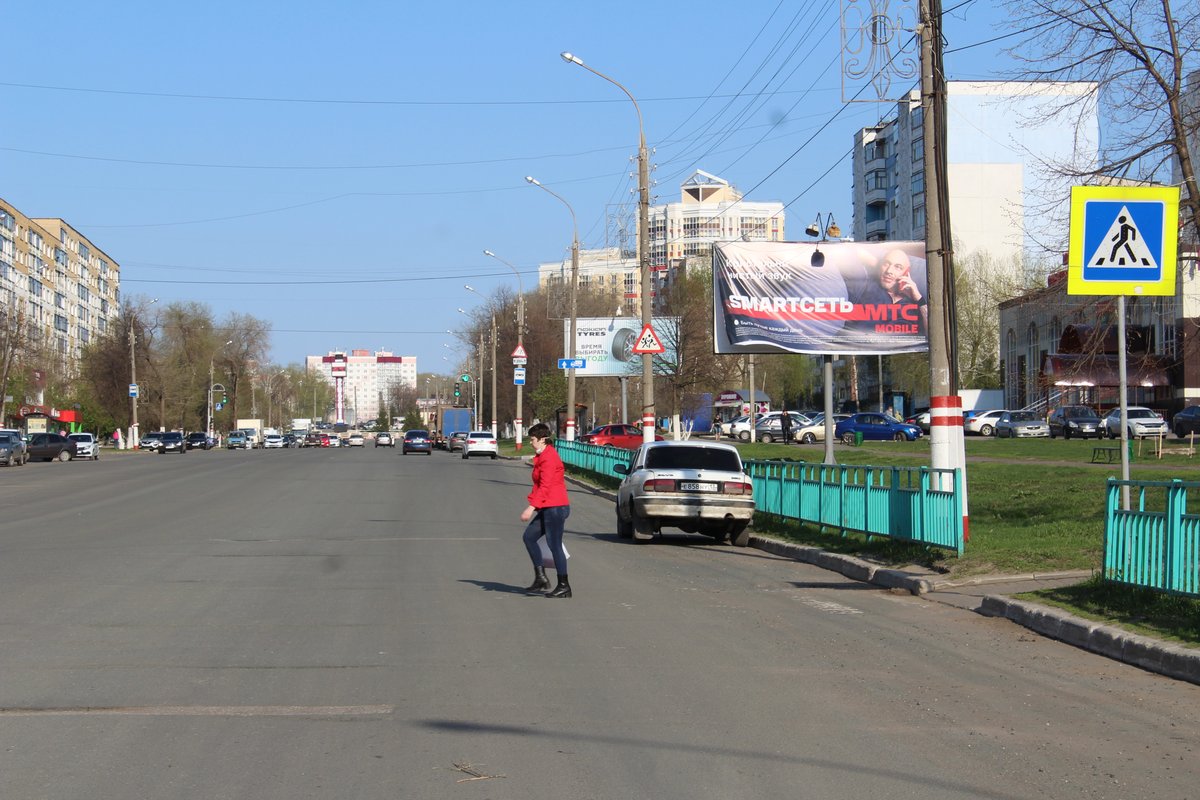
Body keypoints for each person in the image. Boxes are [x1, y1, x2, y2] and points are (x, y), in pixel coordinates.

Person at [519, 422, 572, 598]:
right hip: (548, 506)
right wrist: (535, 504)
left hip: (556, 507)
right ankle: (541, 578)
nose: (531, 442)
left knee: (554, 545)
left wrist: (531, 507)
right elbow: (538, 485)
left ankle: (564, 585)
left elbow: (546, 486)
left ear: (542, 439)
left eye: (533, 439)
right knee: (529, 537)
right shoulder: (541, 456)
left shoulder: (549, 457)